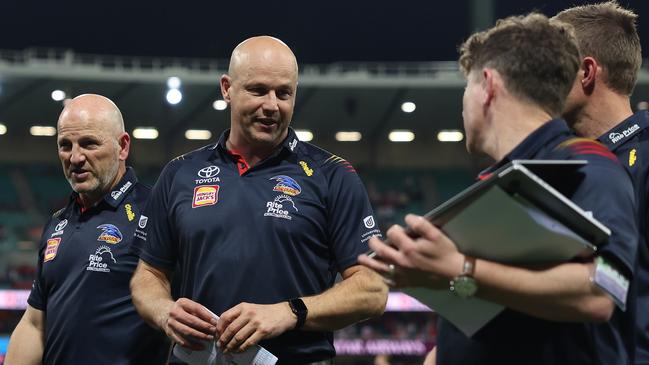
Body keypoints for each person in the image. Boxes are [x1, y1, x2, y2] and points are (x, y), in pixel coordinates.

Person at [359, 13, 638, 365]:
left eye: (466, 87)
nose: (463, 105)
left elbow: (602, 292)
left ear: (488, 86)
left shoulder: (586, 167)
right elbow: (488, 303)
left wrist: (458, 268)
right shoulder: (498, 182)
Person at [129, 36, 387, 364]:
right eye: (258, 90)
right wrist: (165, 312)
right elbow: (148, 275)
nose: (271, 105)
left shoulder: (333, 176)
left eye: (284, 93)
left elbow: (373, 290)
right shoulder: (180, 174)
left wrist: (291, 312)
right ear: (227, 88)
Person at [5, 94, 168, 364]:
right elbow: (35, 324)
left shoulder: (157, 213)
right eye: (65, 145)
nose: (75, 157)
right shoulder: (57, 223)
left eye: (89, 144)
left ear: (122, 146)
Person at [555, 2, 649, 363]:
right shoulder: (565, 165)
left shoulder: (642, 161)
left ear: (586, 72)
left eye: (551, 66)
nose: (540, 80)